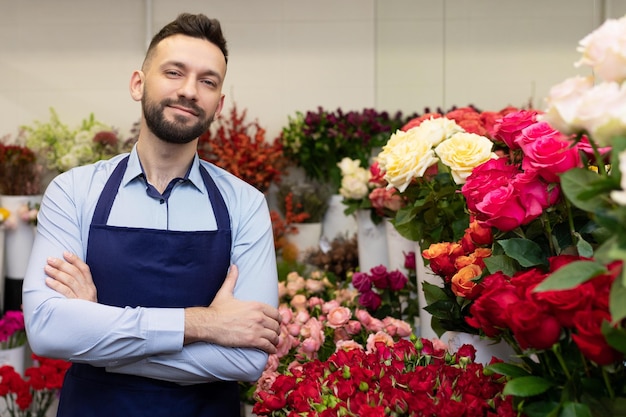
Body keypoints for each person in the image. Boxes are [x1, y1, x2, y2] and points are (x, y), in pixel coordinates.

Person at [22, 13, 281, 417]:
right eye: (174, 72)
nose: (190, 91)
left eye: (208, 81)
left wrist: (96, 335)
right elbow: (47, 331)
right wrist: (205, 325)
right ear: (138, 84)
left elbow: (247, 359)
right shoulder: (73, 192)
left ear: (220, 104)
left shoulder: (245, 204)